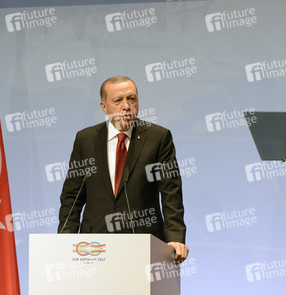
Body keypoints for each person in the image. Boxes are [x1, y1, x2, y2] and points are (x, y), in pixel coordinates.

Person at [58, 75, 188, 263]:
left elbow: (171, 194)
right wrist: (65, 239)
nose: (126, 106)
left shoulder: (158, 137)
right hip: (93, 248)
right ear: (104, 107)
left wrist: (175, 238)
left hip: (144, 243)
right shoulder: (85, 140)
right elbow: (72, 196)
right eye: (118, 100)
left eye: (132, 99)